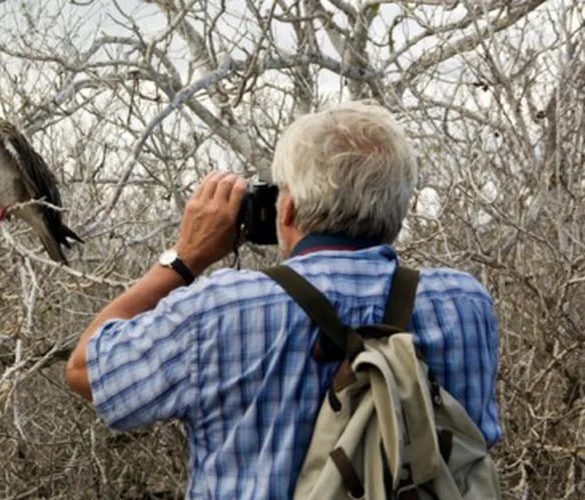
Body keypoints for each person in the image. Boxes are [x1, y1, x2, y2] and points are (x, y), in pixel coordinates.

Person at [66, 101, 501, 499]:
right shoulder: (464, 305)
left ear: (287, 209)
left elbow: (86, 369)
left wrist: (185, 258)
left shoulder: (220, 310)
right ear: (399, 210)